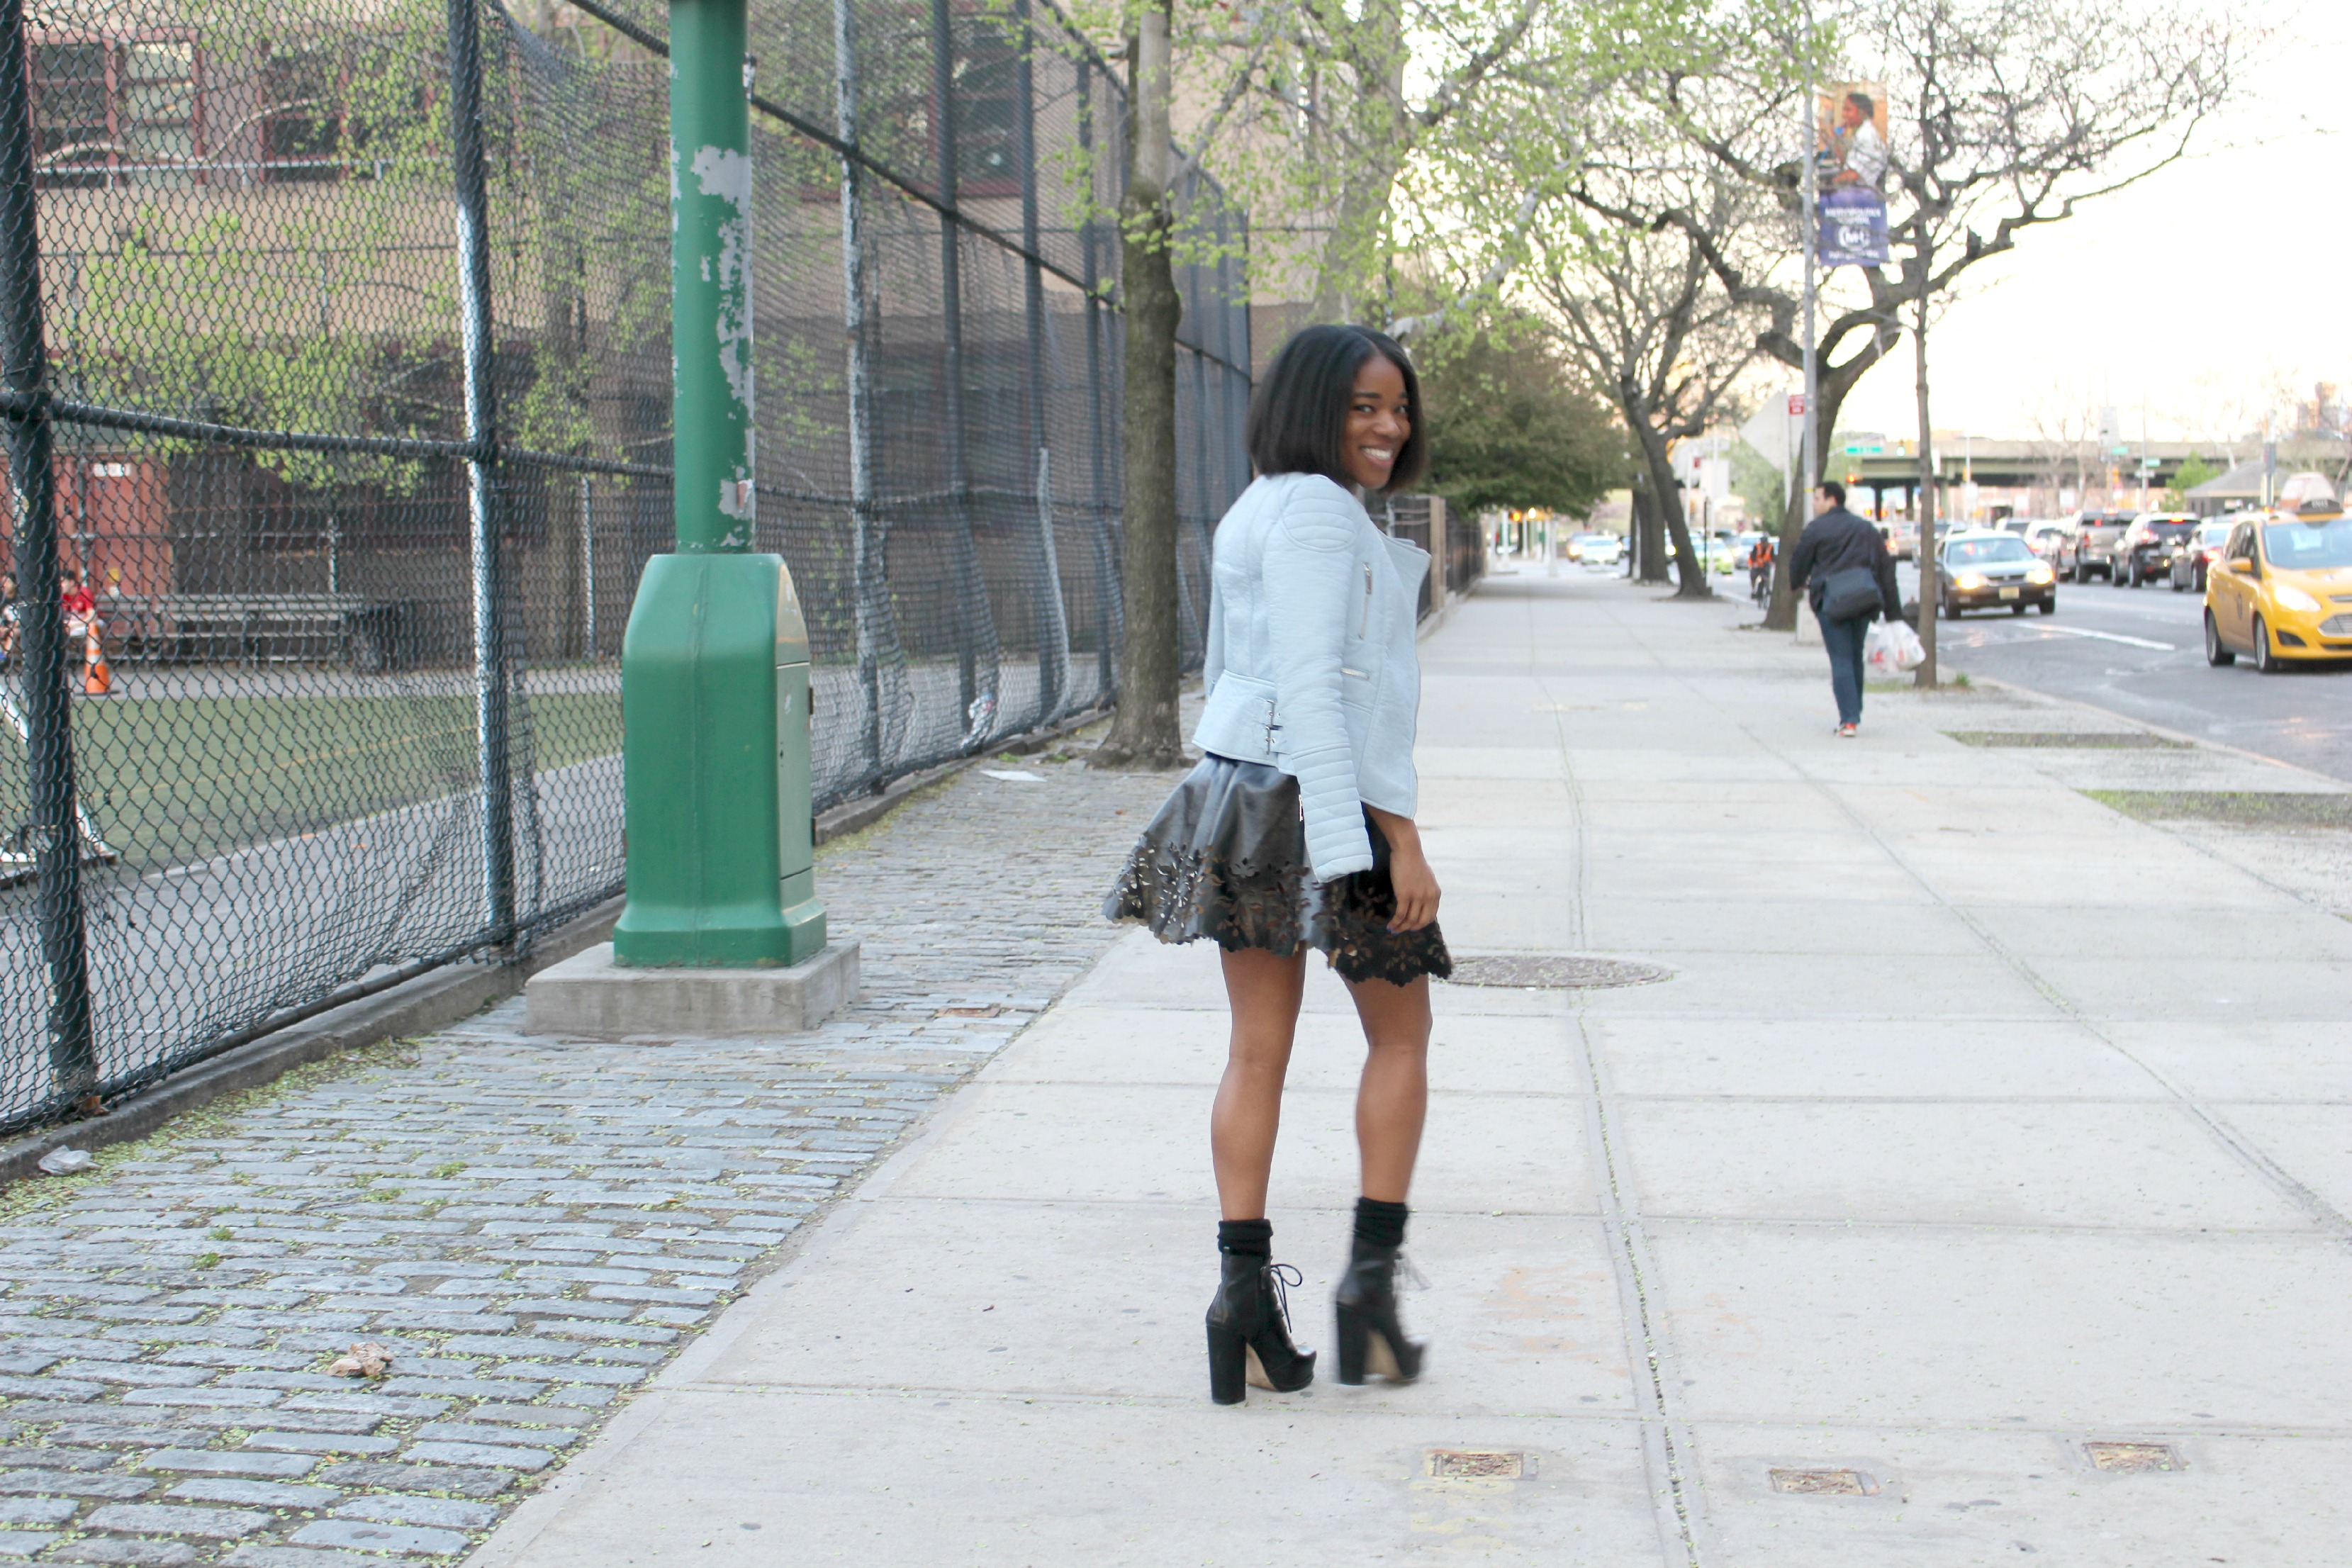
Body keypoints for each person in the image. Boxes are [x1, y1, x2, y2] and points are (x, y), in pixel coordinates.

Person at [1105, 324, 1450, 1405]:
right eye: (1362, 406)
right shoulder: (1312, 515)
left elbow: (1241, 677)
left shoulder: (1260, 502)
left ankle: (1241, 1296)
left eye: (1396, 406)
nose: (1388, 425)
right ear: (1313, 407)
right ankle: (1370, 1292)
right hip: (1318, 803)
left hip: (1248, 792)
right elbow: (1317, 693)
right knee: (1401, 1033)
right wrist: (1389, 844)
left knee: (1256, 1049)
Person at [1788, 480, 1900, 737]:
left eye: (1817, 498)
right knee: (1854, 656)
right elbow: (1885, 570)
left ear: (1831, 500)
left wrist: (1796, 584)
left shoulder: (1816, 530)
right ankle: (1854, 711)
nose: (1814, 504)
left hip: (1832, 603)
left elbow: (1799, 562)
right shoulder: (1866, 529)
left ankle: (1849, 719)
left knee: (1840, 659)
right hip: (1863, 601)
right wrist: (1894, 613)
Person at [1827, 91, 1887, 188]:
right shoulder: (1861, 133)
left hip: (1864, 192)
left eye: (1848, 110)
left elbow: (1854, 175)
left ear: (1862, 113)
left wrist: (1832, 182)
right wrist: (1837, 143)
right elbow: (1850, 165)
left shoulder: (1867, 135)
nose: (1843, 115)